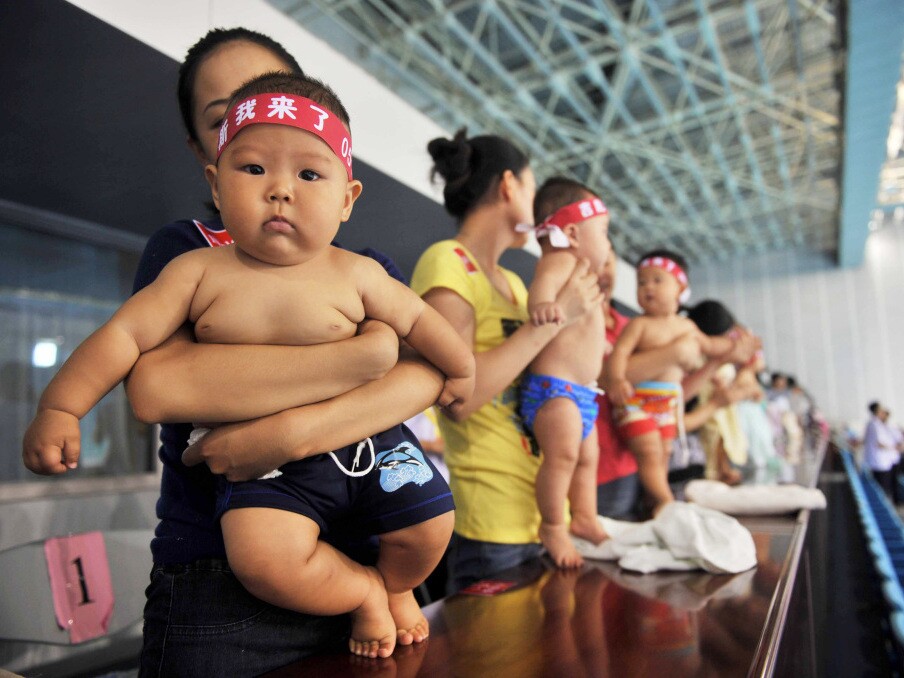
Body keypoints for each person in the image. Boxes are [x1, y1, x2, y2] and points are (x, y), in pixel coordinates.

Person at [29, 29, 450, 676]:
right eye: (230, 120)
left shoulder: (364, 270)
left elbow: (427, 375)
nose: (280, 183)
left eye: (306, 163)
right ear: (210, 157)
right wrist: (362, 359)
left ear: (342, 183)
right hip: (226, 573)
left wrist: (290, 431)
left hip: (373, 550)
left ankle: (378, 583)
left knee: (432, 521)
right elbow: (157, 386)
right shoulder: (190, 257)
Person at [410, 129, 603, 593]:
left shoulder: (517, 287)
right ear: (509, 186)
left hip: (532, 512)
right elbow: (459, 398)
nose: (539, 210)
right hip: (489, 522)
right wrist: (554, 322)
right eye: (534, 191)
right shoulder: (447, 262)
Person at [518, 177, 611, 566]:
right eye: (604, 233)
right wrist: (542, 305)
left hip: (583, 394)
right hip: (554, 391)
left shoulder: (584, 272)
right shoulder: (560, 261)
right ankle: (554, 526)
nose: (608, 244)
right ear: (572, 233)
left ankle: (585, 516)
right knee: (564, 456)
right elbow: (543, 285)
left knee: (588, 457)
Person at [603, 250, 735, 513]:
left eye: (657, 280)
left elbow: (710, 345)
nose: (647, 287)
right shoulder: (638, 325)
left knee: (663, 453)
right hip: (636, 403)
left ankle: (655, 499)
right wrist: (617, 379)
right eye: (642, 282)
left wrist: (733, 345)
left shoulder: (687, 328)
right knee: (651, 451)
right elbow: (619, 353)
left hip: (666, 406)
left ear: (680, 288)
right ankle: (666, 500)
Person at [863, 401, 904, 502]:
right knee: (883, 488)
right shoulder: (875, 424)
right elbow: (880, 443)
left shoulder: (876, 424)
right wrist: (895, 447)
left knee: (887, 486)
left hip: (883, 461)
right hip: (880, 462)